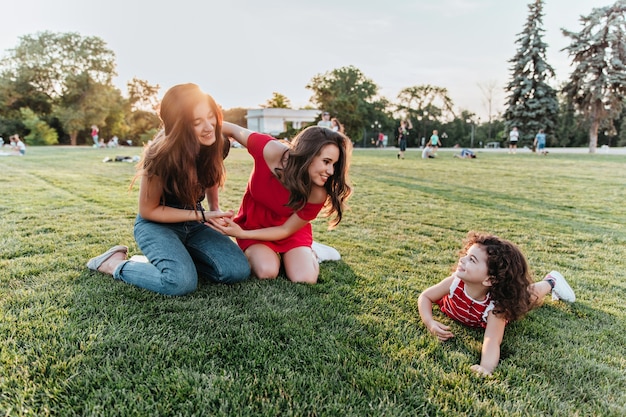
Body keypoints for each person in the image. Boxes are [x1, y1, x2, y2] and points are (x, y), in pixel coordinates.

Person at [86, 83, 251, 295]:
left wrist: (214, 212)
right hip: (156, 225)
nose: (209, 126)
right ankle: (113, 264)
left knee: (237, 270)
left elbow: (210, 175)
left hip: (195, 222)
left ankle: (178, 259)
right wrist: (204, 214)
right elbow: (149, 211)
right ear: (179, 126)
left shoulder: (217, 142)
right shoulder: (161, 156)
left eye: (211, 116)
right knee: (179, 283)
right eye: (196, 122)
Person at [210, 122, 353, 284]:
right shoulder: (269, 149)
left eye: (334, 164)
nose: (331, 171)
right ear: (308, 154)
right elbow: (229, 127)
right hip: (254, 224)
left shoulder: (318, 191)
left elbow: (285, 229)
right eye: (326, 162)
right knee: (266, 271)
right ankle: (280, 257)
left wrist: (241, 234)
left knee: (304, 279)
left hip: (289, 231)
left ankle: (312, 251)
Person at [418, 231, 575, 376]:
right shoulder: (454, 282)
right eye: (466, 254)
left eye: (471, 259)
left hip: (501, 299)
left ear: (489, 279)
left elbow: (492, 340)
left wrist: (485, 367)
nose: (462, 259)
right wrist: (430, 322)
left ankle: (551, 281)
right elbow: (425, 296)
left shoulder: (496, 308)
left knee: (527, 296)